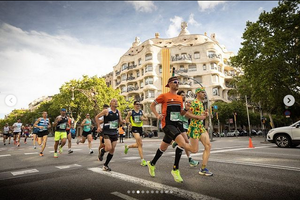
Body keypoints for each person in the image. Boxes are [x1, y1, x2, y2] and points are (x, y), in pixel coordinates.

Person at [147, 76, 196, 183]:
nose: (177, 83)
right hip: (167, 125)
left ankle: (152, 163)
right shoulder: (164, 96)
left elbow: (181, 113)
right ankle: (175, 169)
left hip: (176, 125)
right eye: (175, 82)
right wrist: (157, 115)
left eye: (178, 82)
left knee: (163, 148)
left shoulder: (179, 98)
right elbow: (152, 105)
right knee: (182, 143)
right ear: (169, 84)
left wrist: (186, 109)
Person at [186, 87, 213, 176]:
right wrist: (198, 117)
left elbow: (199, 115)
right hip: (194, 127)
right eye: (202, 92)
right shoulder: (194, 103)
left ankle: (203, 168)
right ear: (197, 93)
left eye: (204, 92)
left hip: (200, 127)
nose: (204, 94)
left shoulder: (201, 103)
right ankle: (179, 143)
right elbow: (187, 114)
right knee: (194, 150)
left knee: (208, 146)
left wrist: (205, 114)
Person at [95, 99, 125, 171]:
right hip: (107, 131)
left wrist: (123, 121)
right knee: (108, 148)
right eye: (114, 101)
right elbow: (96, 117)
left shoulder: (118, 111)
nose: (116, 102)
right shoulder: (106, 111)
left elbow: (120, 121)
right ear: (110, 103)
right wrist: (99, 126)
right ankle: (102, 151)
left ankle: (105, 165)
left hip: (114, 131)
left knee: (112, 149)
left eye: (116, 101)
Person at [172, 90, 199, 167]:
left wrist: (191, 109)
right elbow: (181, 114)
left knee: (182, 143)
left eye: (185, 95)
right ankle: (190, 159)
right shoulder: (177, 104)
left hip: (186, 125)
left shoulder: (186, 104)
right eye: (182, 95)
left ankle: (175, 142)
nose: (184, 96)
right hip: (179, 123)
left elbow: (189, 114)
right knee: (186, 141)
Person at [124, 100, 148, 166]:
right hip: (134, 128)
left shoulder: (142, 112)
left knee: (139, 144)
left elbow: (146, 118)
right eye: (137, 104)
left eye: (139, 104)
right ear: (134, 105)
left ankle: (128, 146)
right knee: (140, 143)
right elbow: (127, 118)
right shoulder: (131, 112)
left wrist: (143, 119)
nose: (138, 105)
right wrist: (129, 123)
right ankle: (142, 160)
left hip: (140, 128)